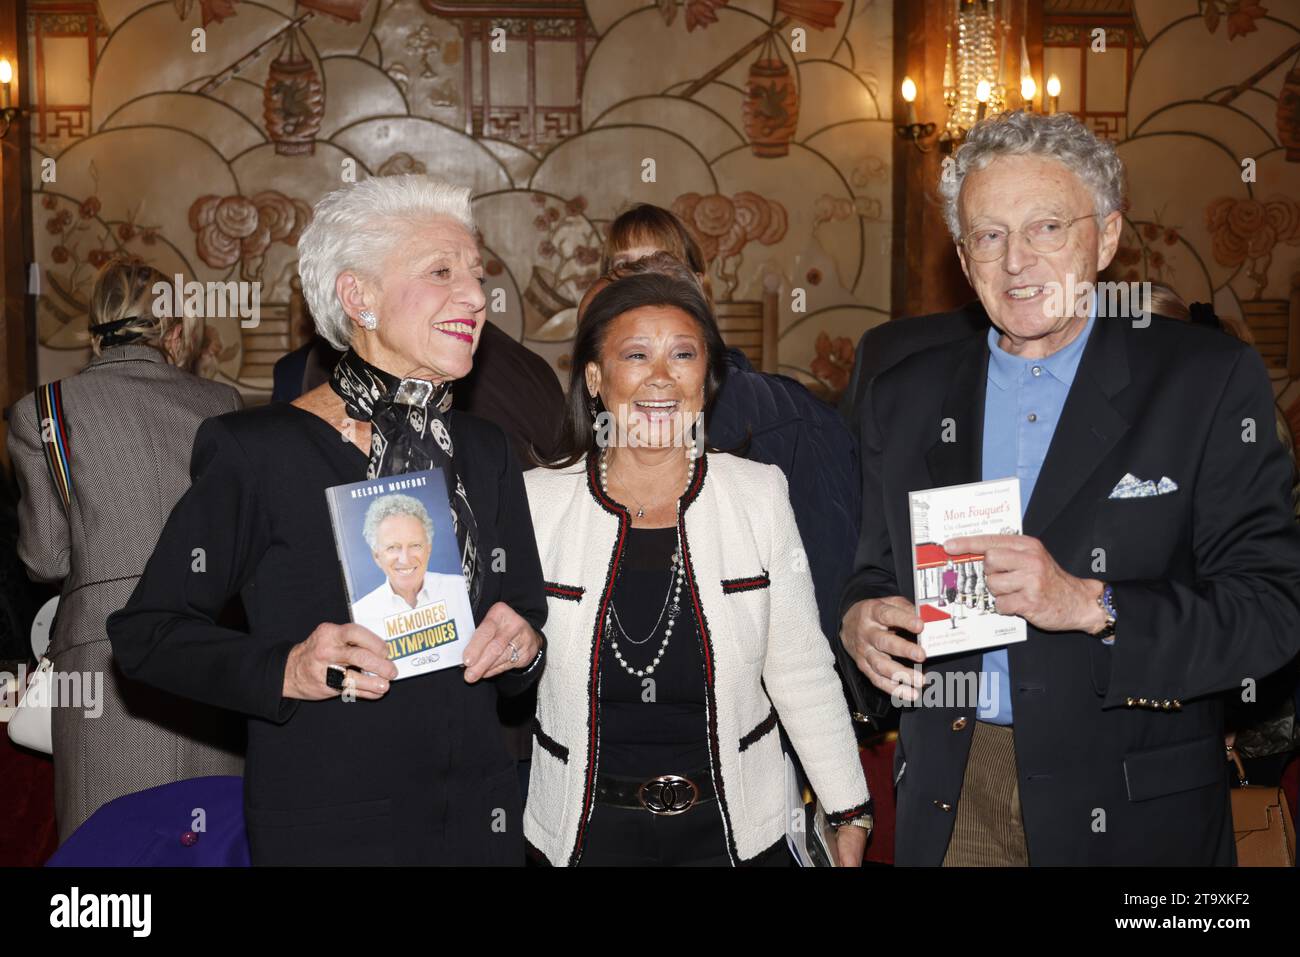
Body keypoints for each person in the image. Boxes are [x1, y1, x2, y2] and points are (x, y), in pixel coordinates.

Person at [839, 110, 1300, 865]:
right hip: (958, 789)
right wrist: (859, 616)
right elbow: (873, 566)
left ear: (1107, 237)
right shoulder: (905, 393)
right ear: (963, 256)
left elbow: (1271, 613)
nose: (1016, 261)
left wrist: (1089, 604)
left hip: (1133, 806)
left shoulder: (1203, 382)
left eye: (1047, 227)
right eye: (988, 236)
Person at [107, 174, 548, 865]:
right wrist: (285, 666)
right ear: (358, 297)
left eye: (476, 274)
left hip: (476, 822)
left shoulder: (483, 449)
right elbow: (146, 635)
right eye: (442, 272)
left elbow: (523, 621)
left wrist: (522, 644)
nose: (475, 296)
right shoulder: (258, 451)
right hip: (332, 827)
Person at [522, 270, 871, 866]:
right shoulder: (536, 503)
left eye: (683, 354)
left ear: (705, 380)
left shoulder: (757, 493)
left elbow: (801, 669)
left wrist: (848, 810)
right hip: (581, 834)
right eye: (636, 355)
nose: (661, 376)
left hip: (740, 831)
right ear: (596, 379)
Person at [7, 258, 244, 842]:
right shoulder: (223, 404)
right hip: (205, 648)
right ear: (177, 332)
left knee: (106, 850)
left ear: (93, 332)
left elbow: (46, 560)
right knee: (210, 843)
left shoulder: (43, 412)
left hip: (100, 662)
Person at [597, 204, 862, 713]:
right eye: (620, 272)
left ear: (697, 285)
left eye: (657, 267)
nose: (640, 288)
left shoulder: (791, 421)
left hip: (759, 710)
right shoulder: (599, 420)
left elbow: (829, 581)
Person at [350, 493, 474, 629]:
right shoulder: (361, 615)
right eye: (392, 548)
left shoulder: (460, 588)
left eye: (415, 545)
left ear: (428, 549)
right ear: (377, 557)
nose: (405, 560)